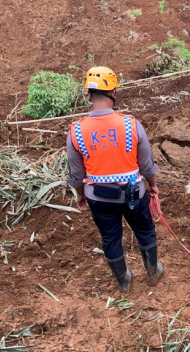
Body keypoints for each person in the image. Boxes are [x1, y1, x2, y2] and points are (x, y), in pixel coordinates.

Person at [67, 66, 164, 294]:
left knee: (110, 238)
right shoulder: (131, 124)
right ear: (114, 93)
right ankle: (152, 272)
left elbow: (76, 174)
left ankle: (123, 280)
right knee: (145, 230)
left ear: (89, 95)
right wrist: (152, 185)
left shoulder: (76, 131)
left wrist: (80, 195)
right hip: (133, 194)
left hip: (99, 197)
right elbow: (147, 164)